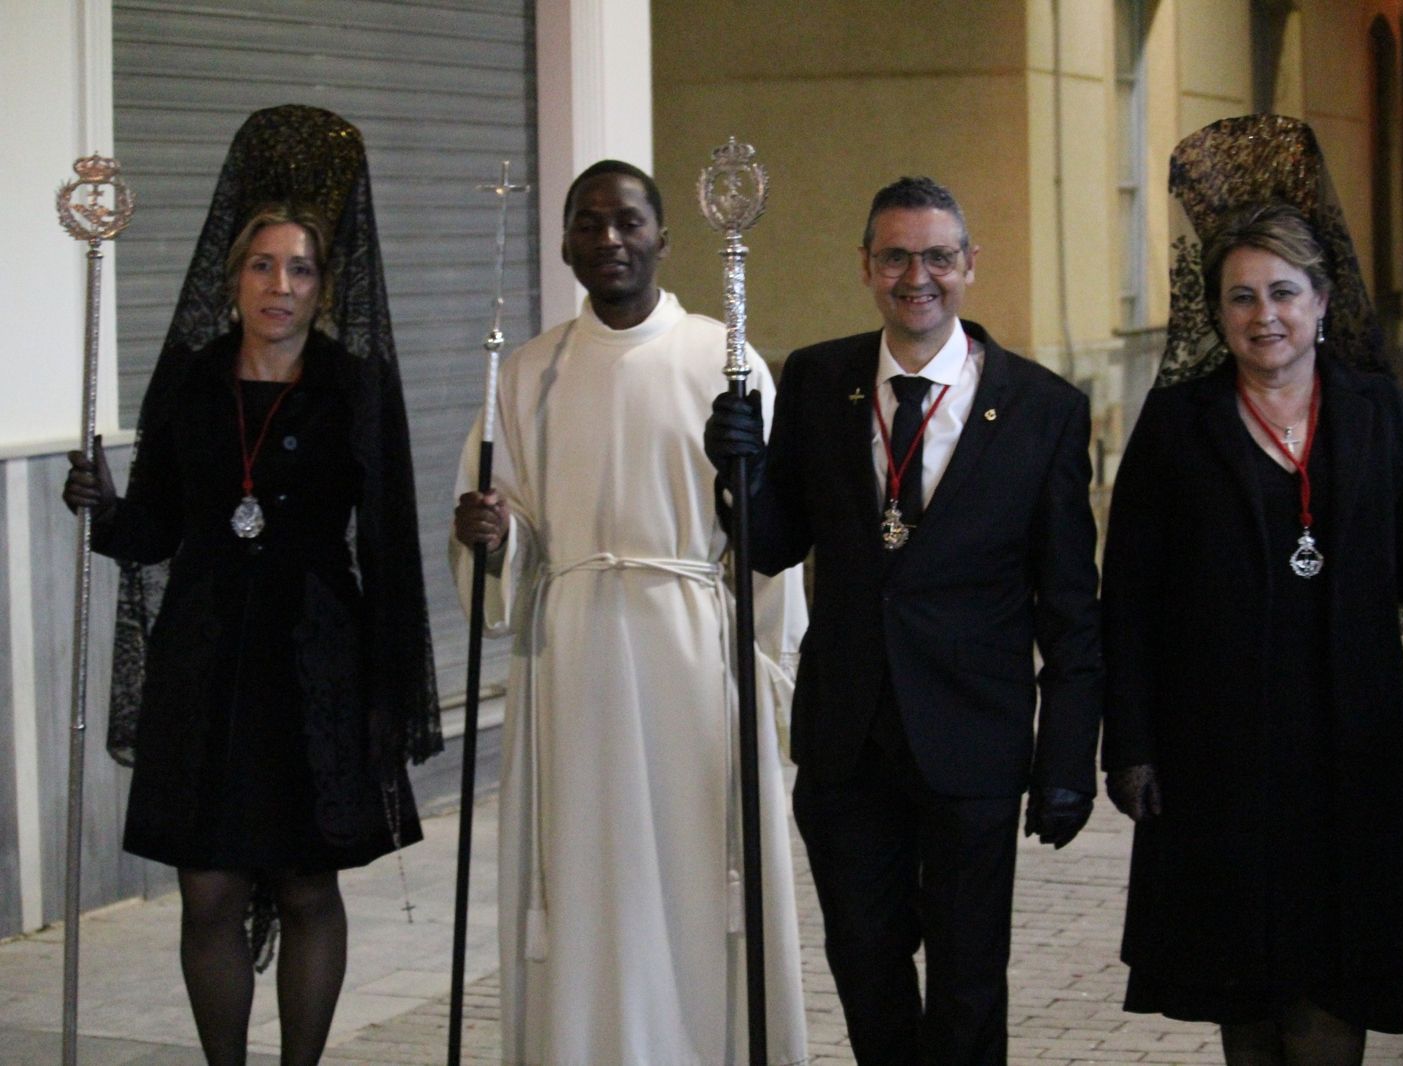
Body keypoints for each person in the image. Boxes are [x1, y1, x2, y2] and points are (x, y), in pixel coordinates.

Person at [1100, 115, 1403, 1066]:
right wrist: (1132, 743)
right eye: (1241, 297)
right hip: (1219, 756)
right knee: (1246, 996)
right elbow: (1129, 597)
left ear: (1323, 300)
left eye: (1283, 292)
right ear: (1217, 309)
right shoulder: (1176, 423)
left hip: (1351, 753)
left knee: (1333, 991)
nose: (1263, 315)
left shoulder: (1373, 411)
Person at [62, 105, 442, 1066]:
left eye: (301, 268)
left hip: (315, 660)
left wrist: (392, 690)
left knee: (310, 885)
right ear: (233, 277)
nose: (281, 286)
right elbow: (153, 527)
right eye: (263, 265)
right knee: (211, 891)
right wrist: (101, 509)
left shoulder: (352, 386)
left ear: (326, 284)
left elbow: (390, 543)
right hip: (206, 659)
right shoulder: (190, 382)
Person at [704, 175, 1104, 1065]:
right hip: (848, 741)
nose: (915, 276)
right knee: (866, 967)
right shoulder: (818, 380)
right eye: (895, 257)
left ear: (969, 266)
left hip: (973, 740)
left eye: (936, 256)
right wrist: (735, 471)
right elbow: (771, 547)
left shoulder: (1042, 410)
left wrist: (1068, 757)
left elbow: (1071, 607)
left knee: (967, 986)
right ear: (866, 267)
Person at [450, 160, 809, 1066]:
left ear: (662, 237)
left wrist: (772, 671)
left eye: (628, 221)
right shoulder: (530, 374)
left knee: (695, 880)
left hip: (694, 658)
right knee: (585, 878)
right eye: (588, 223)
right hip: (574, 660)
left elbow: (765, 537)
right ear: (566, 241)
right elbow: (507, 528)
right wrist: (493, 534)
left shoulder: (721, 359)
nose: (608, 240)